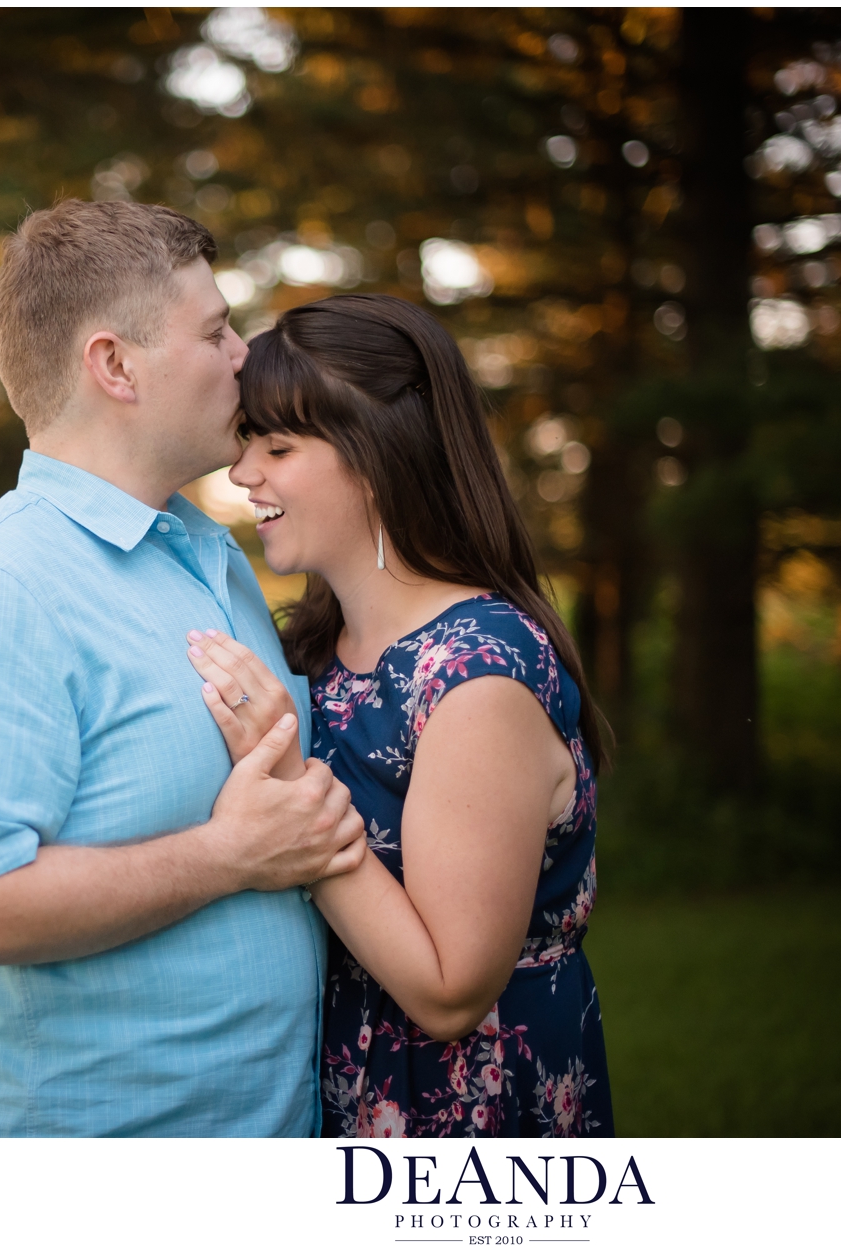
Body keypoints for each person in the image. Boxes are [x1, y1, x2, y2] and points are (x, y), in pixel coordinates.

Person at [0, 199, 368, 1137]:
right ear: (114, 365)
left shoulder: (210, 556)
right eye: (217, 329)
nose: (243, 355)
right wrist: (230, 856)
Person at [182, 293, 614, 1136]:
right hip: (336, 1095)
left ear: (374, 457)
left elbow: (451, 989)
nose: (243, 475)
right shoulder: (311, 648)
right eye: (247, 443)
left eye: (277, 446)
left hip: (463, 1122)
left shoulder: (478, 674)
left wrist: (291, 792)